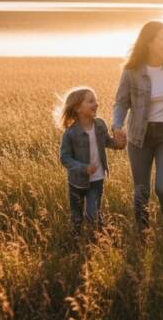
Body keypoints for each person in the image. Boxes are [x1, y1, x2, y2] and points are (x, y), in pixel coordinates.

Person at [112, 21, 163, 231]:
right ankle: (142, 232)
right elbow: (121, 102)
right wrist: (117, 124)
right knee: (141, 191)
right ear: (149, 42)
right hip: (140, 135)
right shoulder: (132, 71)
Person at [58, 86, 126, 238]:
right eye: (90, 101)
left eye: (96, 101)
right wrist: (83, 168)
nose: (96, 104)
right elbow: (64, 158)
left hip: (97, 179)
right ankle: (75, 242)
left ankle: (99, 241)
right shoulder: (70, 133)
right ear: (77, 108)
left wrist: (119, 144)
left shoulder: (100, 125)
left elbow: (107, 142)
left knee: (92, 213)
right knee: (76, 217)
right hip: (76, 182)